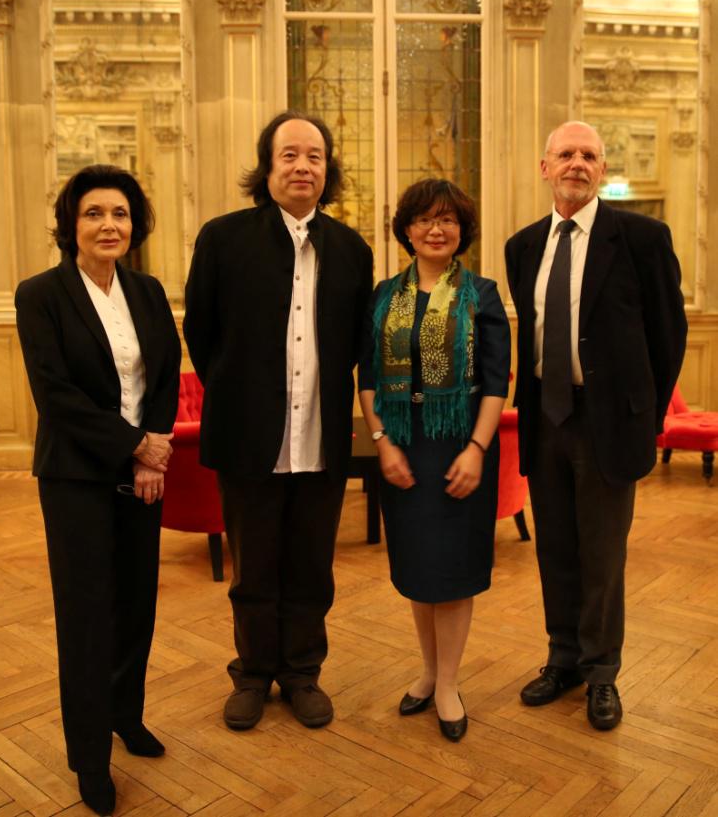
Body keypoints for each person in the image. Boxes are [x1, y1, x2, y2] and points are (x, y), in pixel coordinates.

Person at [183, 110, 373, 731]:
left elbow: (358, 344)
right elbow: (202, 331)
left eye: (314, 156)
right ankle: (252, 674)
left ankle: (302, 674)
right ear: (267, 167)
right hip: (248, 438)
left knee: (312, 568)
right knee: (254, 568)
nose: (302, 166)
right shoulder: (223, 238)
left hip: (321, 435)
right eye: (289, 154)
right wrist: (237, 394)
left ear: (328, 170)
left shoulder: (351, 250)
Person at [505, 121, 687, 731]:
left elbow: (668, 335)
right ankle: (563, 660)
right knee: (555, 548)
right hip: (545, 419)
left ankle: (602, 672)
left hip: (608, 424)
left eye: (589, 155)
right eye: (565, 154)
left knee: (603, 555)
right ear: (545, 167)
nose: (576, 164)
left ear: (602, 169)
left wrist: (646, 419)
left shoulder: (641, 238)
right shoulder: (522, 246)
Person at [15, 165, 181, 816]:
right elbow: (55, 394)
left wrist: (153, 452)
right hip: (76, 476)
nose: (109, 224)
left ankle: (125, 716)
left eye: (120, 213)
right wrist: (135, 445)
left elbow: (164, 373)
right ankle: (89, 757)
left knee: (137, 604)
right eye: (94, 213)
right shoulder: (40, 295)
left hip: (143, 473)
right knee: (86, 618)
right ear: (71, 224)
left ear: (134, 225)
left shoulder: (147, 290)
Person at [359, 179, 510, 742]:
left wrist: (476, 449)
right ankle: (427, 672)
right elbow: (368, 377)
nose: (435, 229)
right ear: (407, 230)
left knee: (453, 570)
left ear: (462, 230)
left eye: (447, 220)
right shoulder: (384, 296)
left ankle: (449, 684)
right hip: (403, 443)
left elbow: (496, 382)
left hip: (460, 445)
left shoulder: (481, 294)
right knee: (419, 570)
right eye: (424, 219)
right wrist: (383, 442)